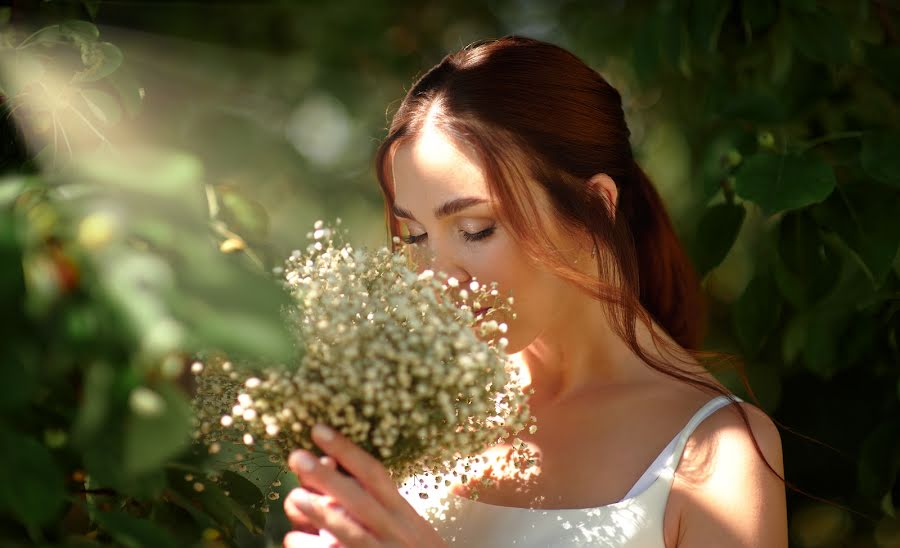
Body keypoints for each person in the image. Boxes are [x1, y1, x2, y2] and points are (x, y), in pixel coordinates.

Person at [281, 36, 788, 547]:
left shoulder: (716, 453)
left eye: (476, 229)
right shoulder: (414, 404)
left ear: (594, 209)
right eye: (416, 235)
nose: (433, 277)